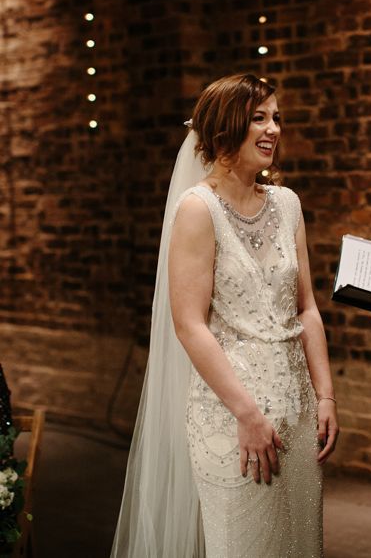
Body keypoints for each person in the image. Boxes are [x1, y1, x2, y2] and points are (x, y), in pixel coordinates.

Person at [111, 74, 338, 558]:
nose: (273, 128)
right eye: (259, 118)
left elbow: (307, 308)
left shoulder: (288, 203)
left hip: (297, 411)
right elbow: (189, 324)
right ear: (222, 134)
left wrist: (325, 395)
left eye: (276, 117)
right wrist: (246, 412)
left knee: (302, 544)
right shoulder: (198, 210)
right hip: (232, 415)